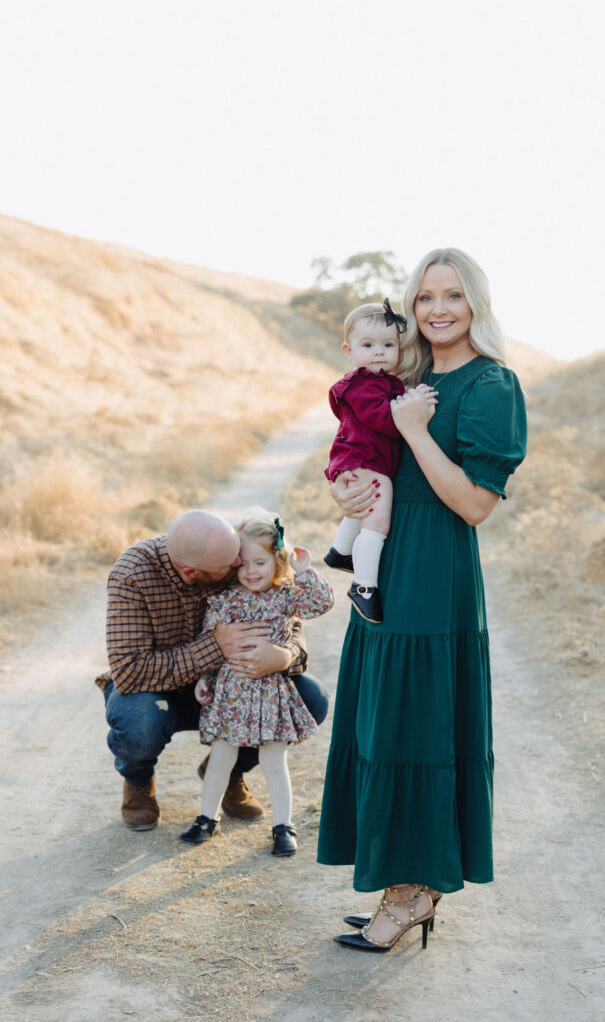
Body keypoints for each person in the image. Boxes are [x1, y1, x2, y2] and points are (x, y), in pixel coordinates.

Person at [317, 248, 527, 952]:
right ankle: (397, 884)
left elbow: (473, 503)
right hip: (387, 561)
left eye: (453, 296)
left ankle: (415, 892)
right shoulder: (402, 374)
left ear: (476, 305)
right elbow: (363, 453)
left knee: (420, 726)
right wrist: (347, 488)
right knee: (384, 724)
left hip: (436, 568)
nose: (437, 309)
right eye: (426, 297)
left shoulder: (491, 385)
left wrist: (412, 432)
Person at [96, 509, 330, 831]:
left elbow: (284, 616)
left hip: (229, 686)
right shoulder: (132, 574)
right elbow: (129, 672)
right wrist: (216, 647)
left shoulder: (225, 551)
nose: (240, 567)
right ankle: (138, 782)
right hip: (155, 690)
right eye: (232, 566)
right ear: (192, 571)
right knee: (140, 723)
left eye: (243, 560)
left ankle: (228, 771)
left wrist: (285, 656)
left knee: (311, 698)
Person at [180, 508, 334, 855]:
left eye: (260, 562)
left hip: (269, 692)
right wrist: (204, 677)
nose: (251, 571)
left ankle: (283, 826)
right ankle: (207, 818)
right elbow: (211, 642)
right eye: (243, 563)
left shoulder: (288, 595)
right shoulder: (223, 599)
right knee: (221, 757)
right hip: (230, 692)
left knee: (273, 761)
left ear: (278, 560)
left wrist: (304, 568)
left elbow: (323, 602)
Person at [323, 300, 435, 624]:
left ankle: (340, 551)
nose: (379, 352)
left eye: (388, 345)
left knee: (364, 506)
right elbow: (384, 419)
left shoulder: (384, 382)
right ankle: (364, 587)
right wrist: (414, 408)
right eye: (368, 345)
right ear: (349, 350)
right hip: (363, 460)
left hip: (364, 458)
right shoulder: (362, 384)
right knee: (377, 520)